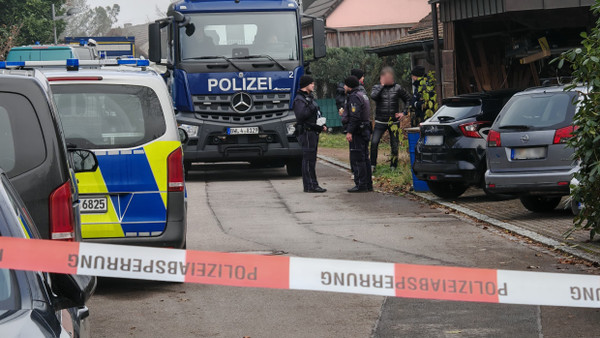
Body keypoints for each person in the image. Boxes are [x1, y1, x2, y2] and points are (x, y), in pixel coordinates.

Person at [370, 66, 411, 171]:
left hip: (394, 122)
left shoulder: (397, 88)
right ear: (382, 78)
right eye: (387, 78)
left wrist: (404, 112)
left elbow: (408, 99)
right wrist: (382, 86)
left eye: (391, 78)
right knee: (374, 142)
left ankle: (393, 166)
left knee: (394, 144)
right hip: (380, 121)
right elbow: (373, 96)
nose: (390, 80)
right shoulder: (376, 87)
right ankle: (372, 165)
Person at [293, 75, 327, 193]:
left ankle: (313, 184)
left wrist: (320, 125)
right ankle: (310, 185)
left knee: (312, 159)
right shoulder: (299, 99)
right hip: (306, 133)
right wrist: (311, 107)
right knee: (308, 159)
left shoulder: (309, 98)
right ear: (306, 85)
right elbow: (301, 116)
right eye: (311, 83)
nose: (313, 85)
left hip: (313, 131)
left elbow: (314, 114)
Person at [343, 76, 373, 193]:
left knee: (358, 158)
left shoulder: (354, 97)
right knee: (365, 158)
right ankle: (367, 184)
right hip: (365, 129)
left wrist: (349, 131)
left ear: (349, 86)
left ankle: (361, 184)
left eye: (345, 85)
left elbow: (355, 116)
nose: (344, 87)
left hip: (358, 131)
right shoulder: (362, 95)